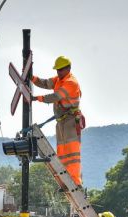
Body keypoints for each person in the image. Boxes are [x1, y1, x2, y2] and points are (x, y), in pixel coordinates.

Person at [31, 56, 85, 186]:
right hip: (61, 121)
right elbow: (44, 83)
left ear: (68, 68)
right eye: (57, 70)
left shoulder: (71, 82)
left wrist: (37, 98)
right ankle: (65, 181)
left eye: (61, 70)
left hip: (71, 121)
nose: (58, 72)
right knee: (62, 153)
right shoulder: (59, 79)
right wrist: (31, 78)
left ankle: (75, 182)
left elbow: (56, 96)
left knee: (72, 154)